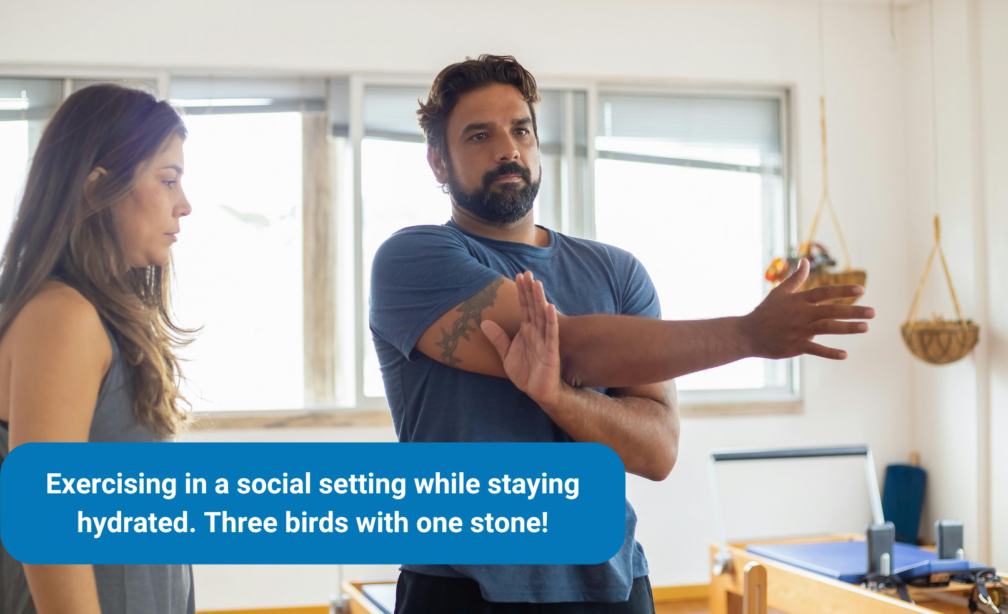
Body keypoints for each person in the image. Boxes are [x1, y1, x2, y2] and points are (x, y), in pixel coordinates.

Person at [368, 55, 876, 612]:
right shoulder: (413, 259)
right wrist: (748, 335)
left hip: (614, 586)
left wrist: (557, 396)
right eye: (479, 135)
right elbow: (574, 348)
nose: (508, 149)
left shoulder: (616, 271)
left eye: (521, 130)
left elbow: (657, 450)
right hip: (462, 590)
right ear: (438, 163)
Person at [0, 83, 196, 614]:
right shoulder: (61, 317)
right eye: (167, 180)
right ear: (97, 188)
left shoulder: (96, 316)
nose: (184, 205)